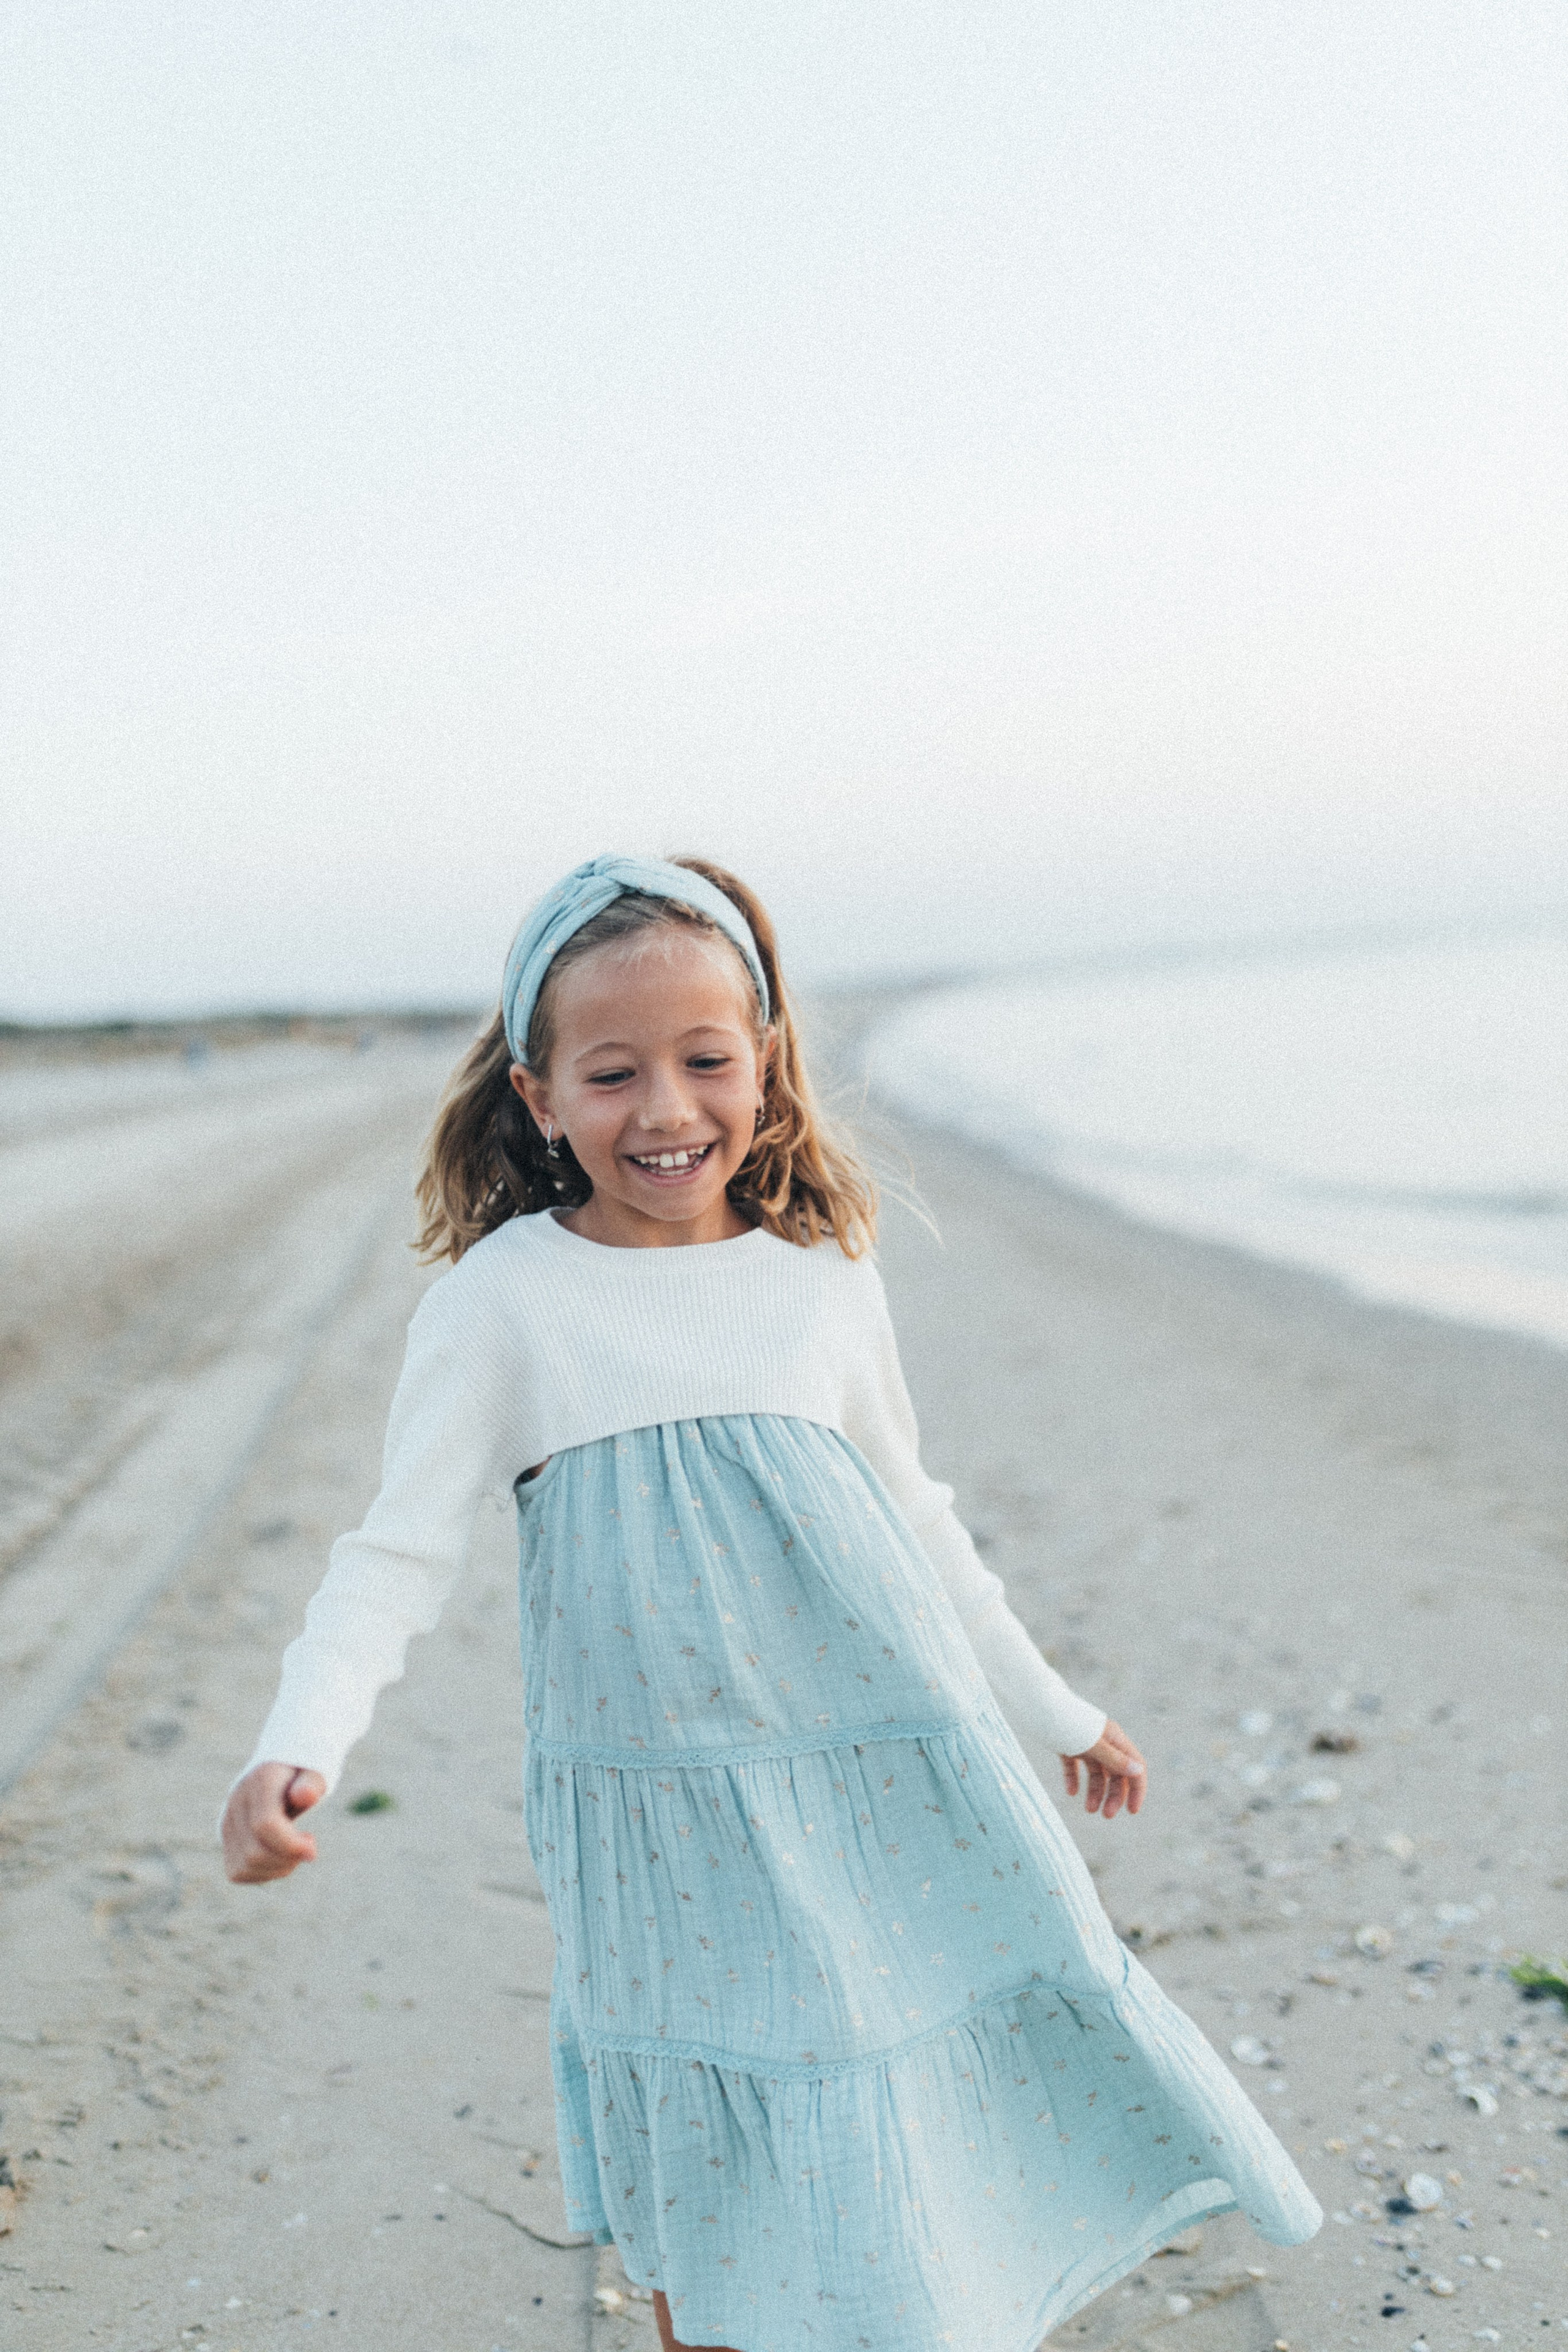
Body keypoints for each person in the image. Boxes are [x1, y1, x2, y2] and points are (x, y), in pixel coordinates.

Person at [222, 853, 1319, 2352]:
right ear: (539, 1098)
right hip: (660, 1813)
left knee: (891, 2083)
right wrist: (297, 1742)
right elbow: (393, 1553)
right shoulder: (502, 1303)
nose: (664, 1110)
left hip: (874, 1767)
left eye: (704, 1061)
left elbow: (915, 1519)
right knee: (707, 2143)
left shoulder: (820, 1277)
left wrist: (1053, 1709)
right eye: (612, 1073)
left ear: (765, 1064)